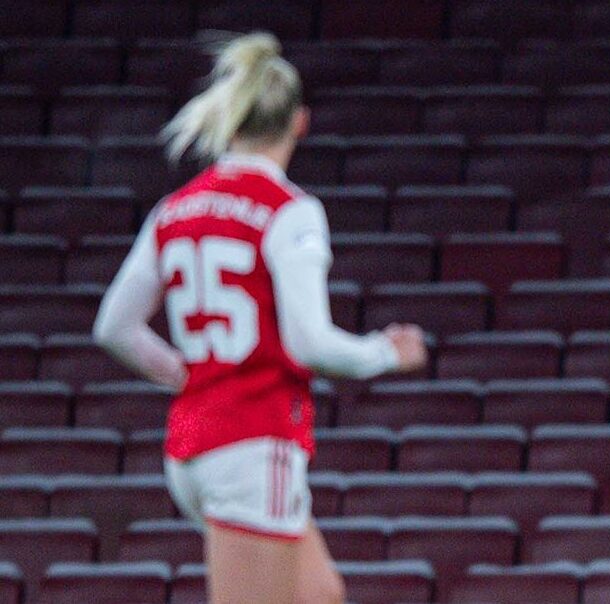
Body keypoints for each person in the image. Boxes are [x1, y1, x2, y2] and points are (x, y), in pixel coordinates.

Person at [93, 32, 428, 604]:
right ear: (300, 123)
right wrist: (386, 353)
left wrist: (185, 372)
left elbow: (113, 327)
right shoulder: (289, 211)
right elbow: (312, 345)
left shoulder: (174, 209)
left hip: (195, 447)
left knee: (320, 596)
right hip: (253, 441)